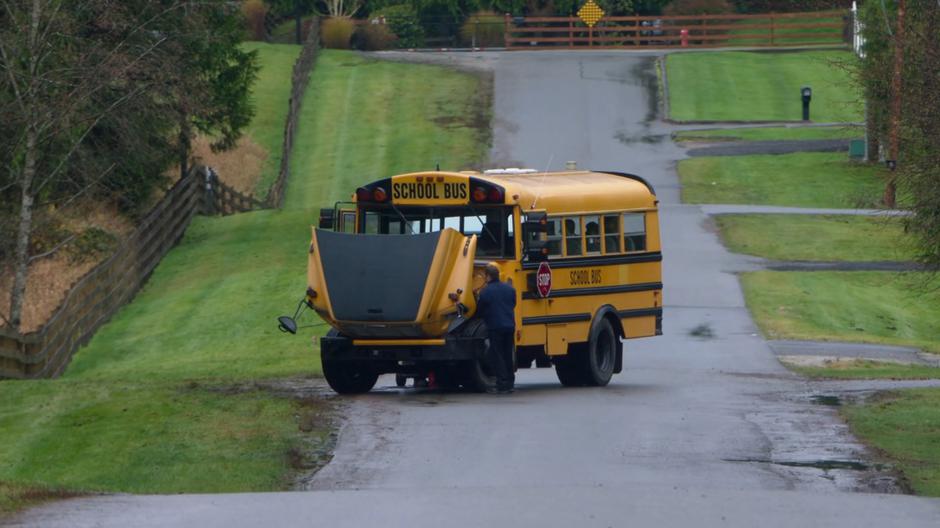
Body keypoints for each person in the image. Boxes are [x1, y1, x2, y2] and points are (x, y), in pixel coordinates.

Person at [476, 264, 516, 394]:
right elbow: (513, 304)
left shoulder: (485, 292)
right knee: (508, 354)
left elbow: (480, 310)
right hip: (509, 326)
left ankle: (502, 383)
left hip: (495, 327)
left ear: (488, 276)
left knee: (497, 355)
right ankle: (510, 382)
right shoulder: (510, 289)